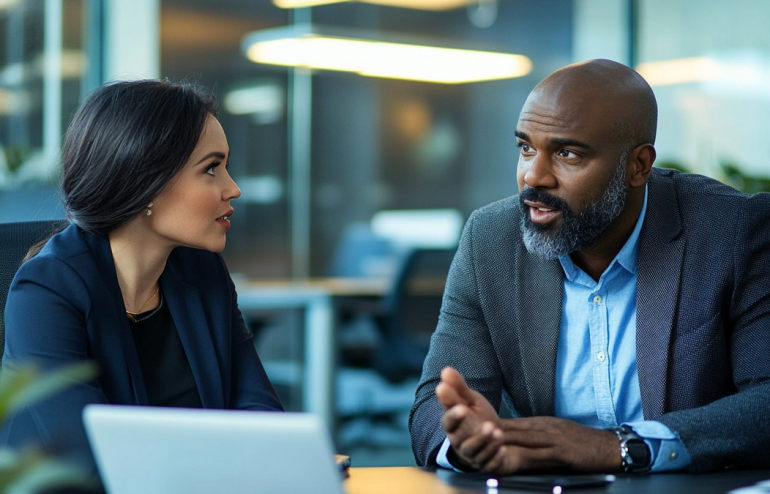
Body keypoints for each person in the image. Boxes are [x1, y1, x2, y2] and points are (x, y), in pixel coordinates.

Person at [409, 59, 770, 475]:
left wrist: (615, 448)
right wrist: (468, 443)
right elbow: (434, 404)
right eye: (526, 148)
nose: (533, 177)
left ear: (638, 166)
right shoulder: (490, 240)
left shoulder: (731, 231)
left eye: (567, 153)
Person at [1, 80, 283, 474]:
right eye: (211, 169)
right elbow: (86, 460)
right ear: (147, 181)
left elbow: (259, 414)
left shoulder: (203, 273)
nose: (232, 188)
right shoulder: (48, 290)